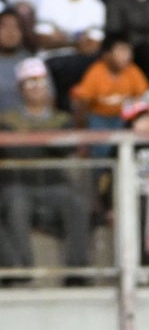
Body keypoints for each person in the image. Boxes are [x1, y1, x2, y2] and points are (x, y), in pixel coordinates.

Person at [0, 57, 90, 281]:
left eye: (40, 82)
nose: (36, 88)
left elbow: (65, 148)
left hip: (55, 185)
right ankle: (21, 269)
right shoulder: (7, 120)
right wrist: (45, 144)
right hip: (19, 185)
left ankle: (78, 271)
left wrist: (28, 142)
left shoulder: (62, 119)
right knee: (15, 203)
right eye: (30, 83)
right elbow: (13, 152)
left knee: (76, 203)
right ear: (20, 88)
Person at [0, 10, 31, 113]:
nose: (10, 32)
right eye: (4, 27)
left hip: (26, 125)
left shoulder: (32, 63)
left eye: (16, 27)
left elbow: (49, 100)